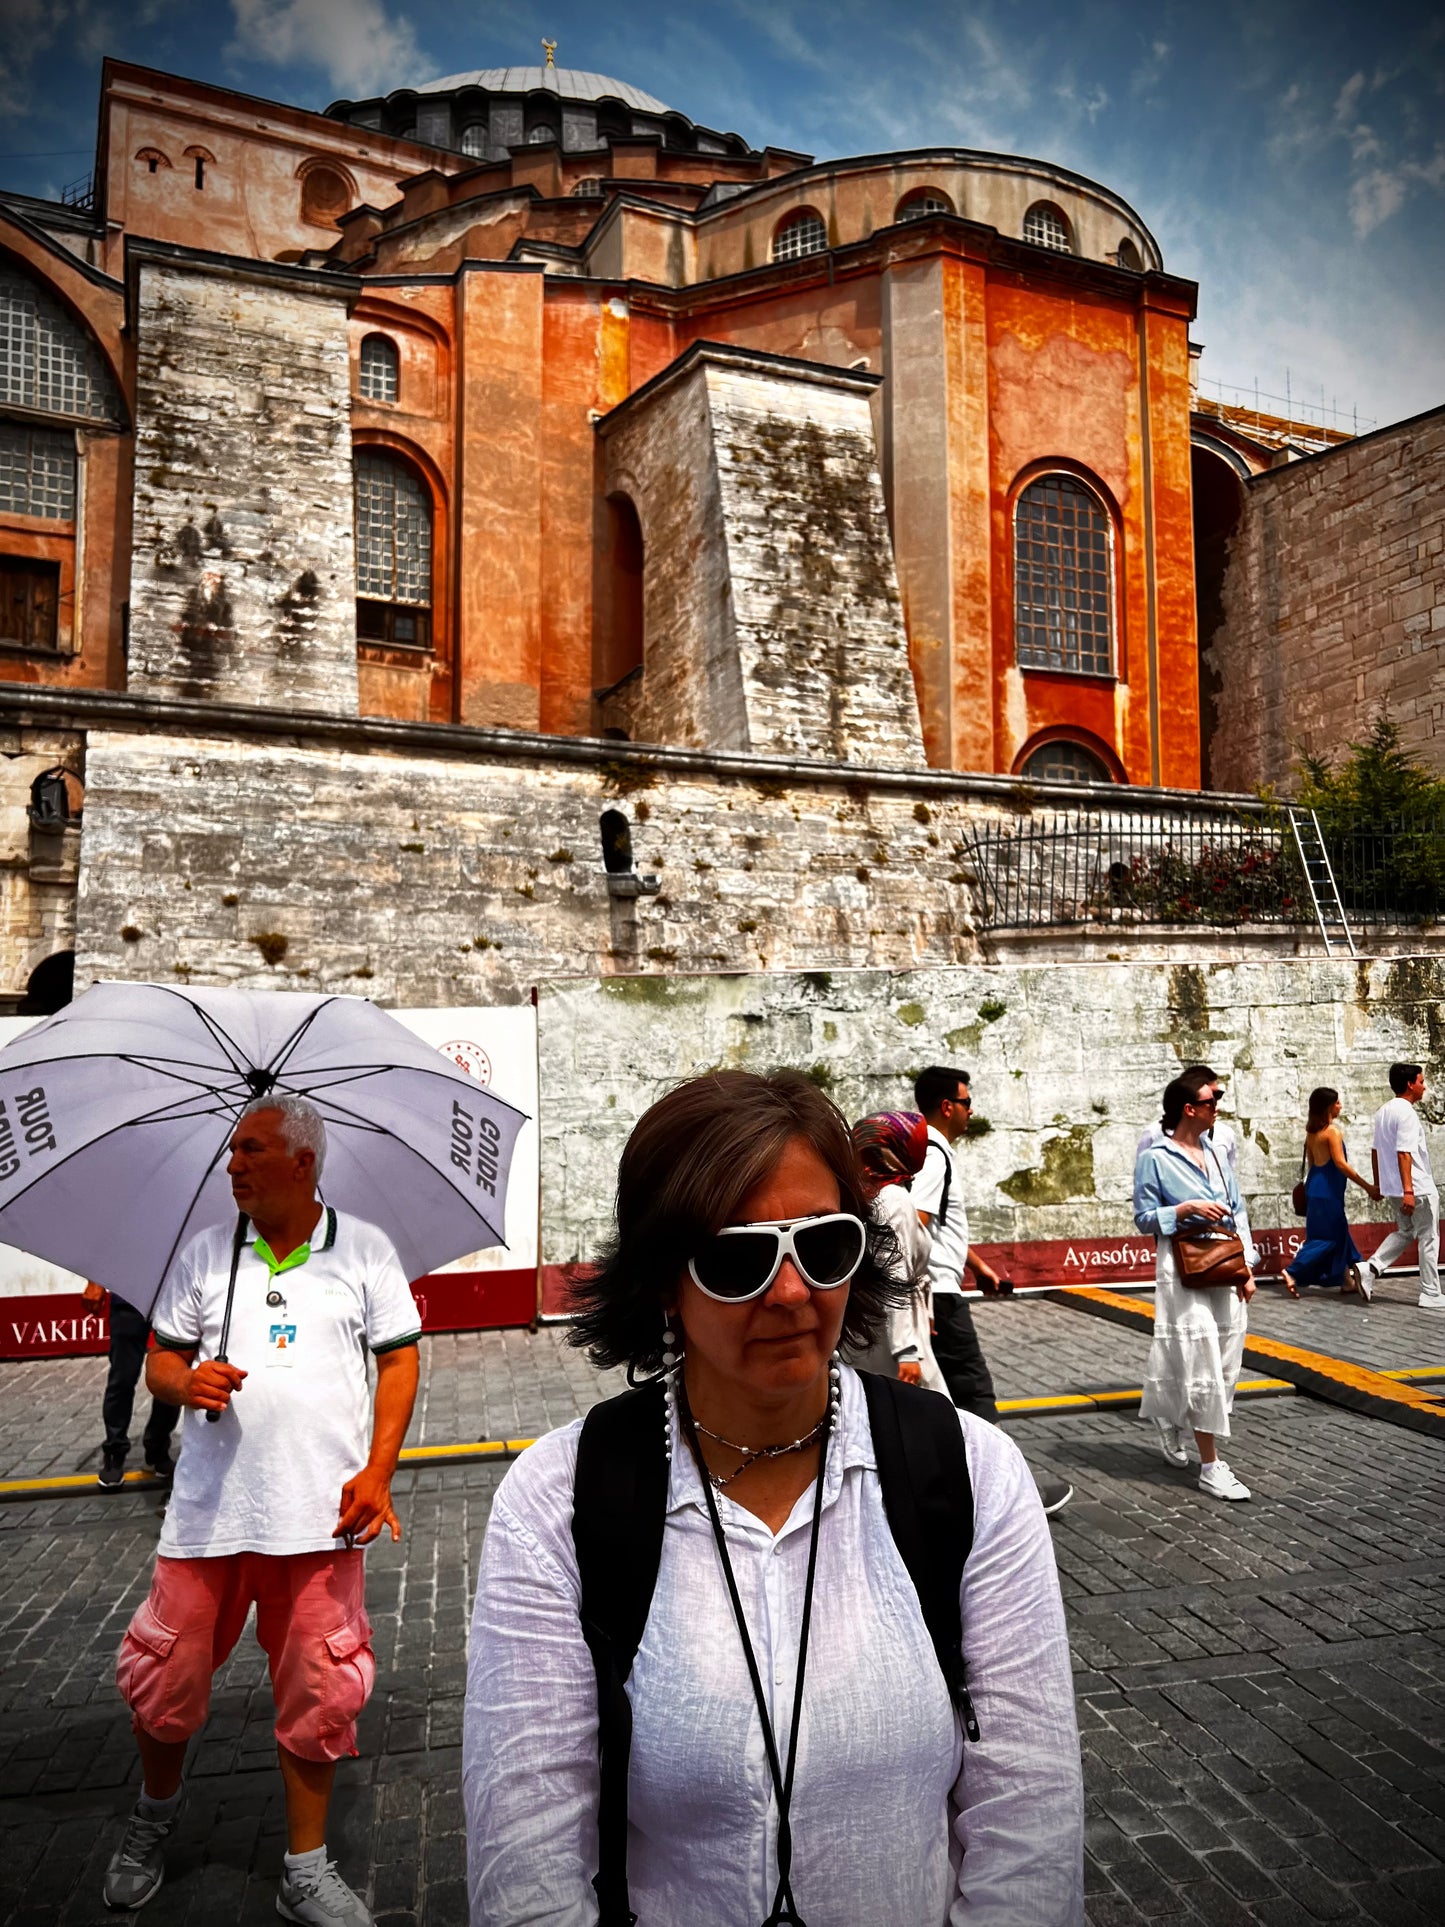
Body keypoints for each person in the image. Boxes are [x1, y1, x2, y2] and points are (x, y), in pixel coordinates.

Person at [464, 1069, 1085, 1926]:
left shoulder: (971, 1471)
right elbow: (526, 1854)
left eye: (822, 1246)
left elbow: (1028, 1812)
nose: (790, 1292)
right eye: (735, 1258)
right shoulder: (556, 1502)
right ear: (660, 1281)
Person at [104, 1095, 422, 1926]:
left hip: (319, 1522)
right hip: (207, 1519)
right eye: (231, 1150)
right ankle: (153, 1815)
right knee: (164, 1680)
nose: (233, 1164)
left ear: (302, 1161)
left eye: (251, 1149)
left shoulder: (366, 1252)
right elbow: (162, 1361)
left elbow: (398, 1362)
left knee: (319, 1694)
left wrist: (379, 1471)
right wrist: (184, 1381)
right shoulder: (207, 1256)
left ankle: (306, 1867)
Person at [912, 1065, 1071, 1517]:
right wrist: (924, 1292)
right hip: (939, 1297)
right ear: (947, 1107)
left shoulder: (928, 1150)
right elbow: (916, 1223)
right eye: (966, 1101)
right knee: (974, 1392)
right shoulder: (934, 1154)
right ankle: (1003, 1496)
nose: (971, 1109)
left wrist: (979, 1267)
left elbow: (937, 1229)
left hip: (938, 1291)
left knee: (939, 1396)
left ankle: (955, 1489)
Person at [1134, 1070, 1259, 1501]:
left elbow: (1238, 1211)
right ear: (1190, 1109)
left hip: (1225, 1265)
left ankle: (1173, 1416)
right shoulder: (1156, 1157)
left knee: (1226, 1361)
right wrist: (1183, 1210)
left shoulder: (1218, 1151)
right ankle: (1211, 1464)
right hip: (1184, 1266)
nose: (1217, 1106)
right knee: (1200, 1355)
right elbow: (1144, 1217)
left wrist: (1248, 1265)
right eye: (1211, 1100)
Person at [849, 1109, 947, 1393]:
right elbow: (895, 1274)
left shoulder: (871, 1195)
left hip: (879, 1328)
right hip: (891, 1338)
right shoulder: (892, 1199)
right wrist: (906, 1350)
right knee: (928, 1416)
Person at [1280, 1088, 1378, 1298]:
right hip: (1328, 1192)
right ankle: (1292, 1271)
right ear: (1328, 1107)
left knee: (1336, 1234)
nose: (1340, 1106)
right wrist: (1367, 1186)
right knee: (1328, 1238)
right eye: (1337, 1103)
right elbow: (1341, 1165)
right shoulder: (1332, 1132)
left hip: (1314, 1189)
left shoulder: (1312, 1132)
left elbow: (1313, 1164)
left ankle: (1348, 1281)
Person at [84, 1279, 181, 1489]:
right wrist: (96, 1282)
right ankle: (114, 1451)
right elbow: (107, 1244)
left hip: (174, 1296)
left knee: (172, 1374)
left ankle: (157, 1449)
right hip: (130, 1294)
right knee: (123, 1377)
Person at [1363, 1063, 1441, 1309]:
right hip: (1416, 1188)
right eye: (1421, 1081)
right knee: (1429, 1237)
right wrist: (1409, 1190)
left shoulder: (1383, 1111)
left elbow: (1375, 1151)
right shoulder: (1406, 1112)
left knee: (1406, 1231)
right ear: (1410, 1084)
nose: (1424, 1085)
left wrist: (1379, 1184)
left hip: (1396, 1188)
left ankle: (1371, 1267)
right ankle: (1430, 1292)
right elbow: (1404, 1153)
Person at [1135, 1062, 1239, 1180]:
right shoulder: (1154, 1133)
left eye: (1217, 1095)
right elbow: (1145, 1182)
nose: (1216, 1105)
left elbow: (1229, 1183)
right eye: (1208, 1100)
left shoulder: (1225, 1134)